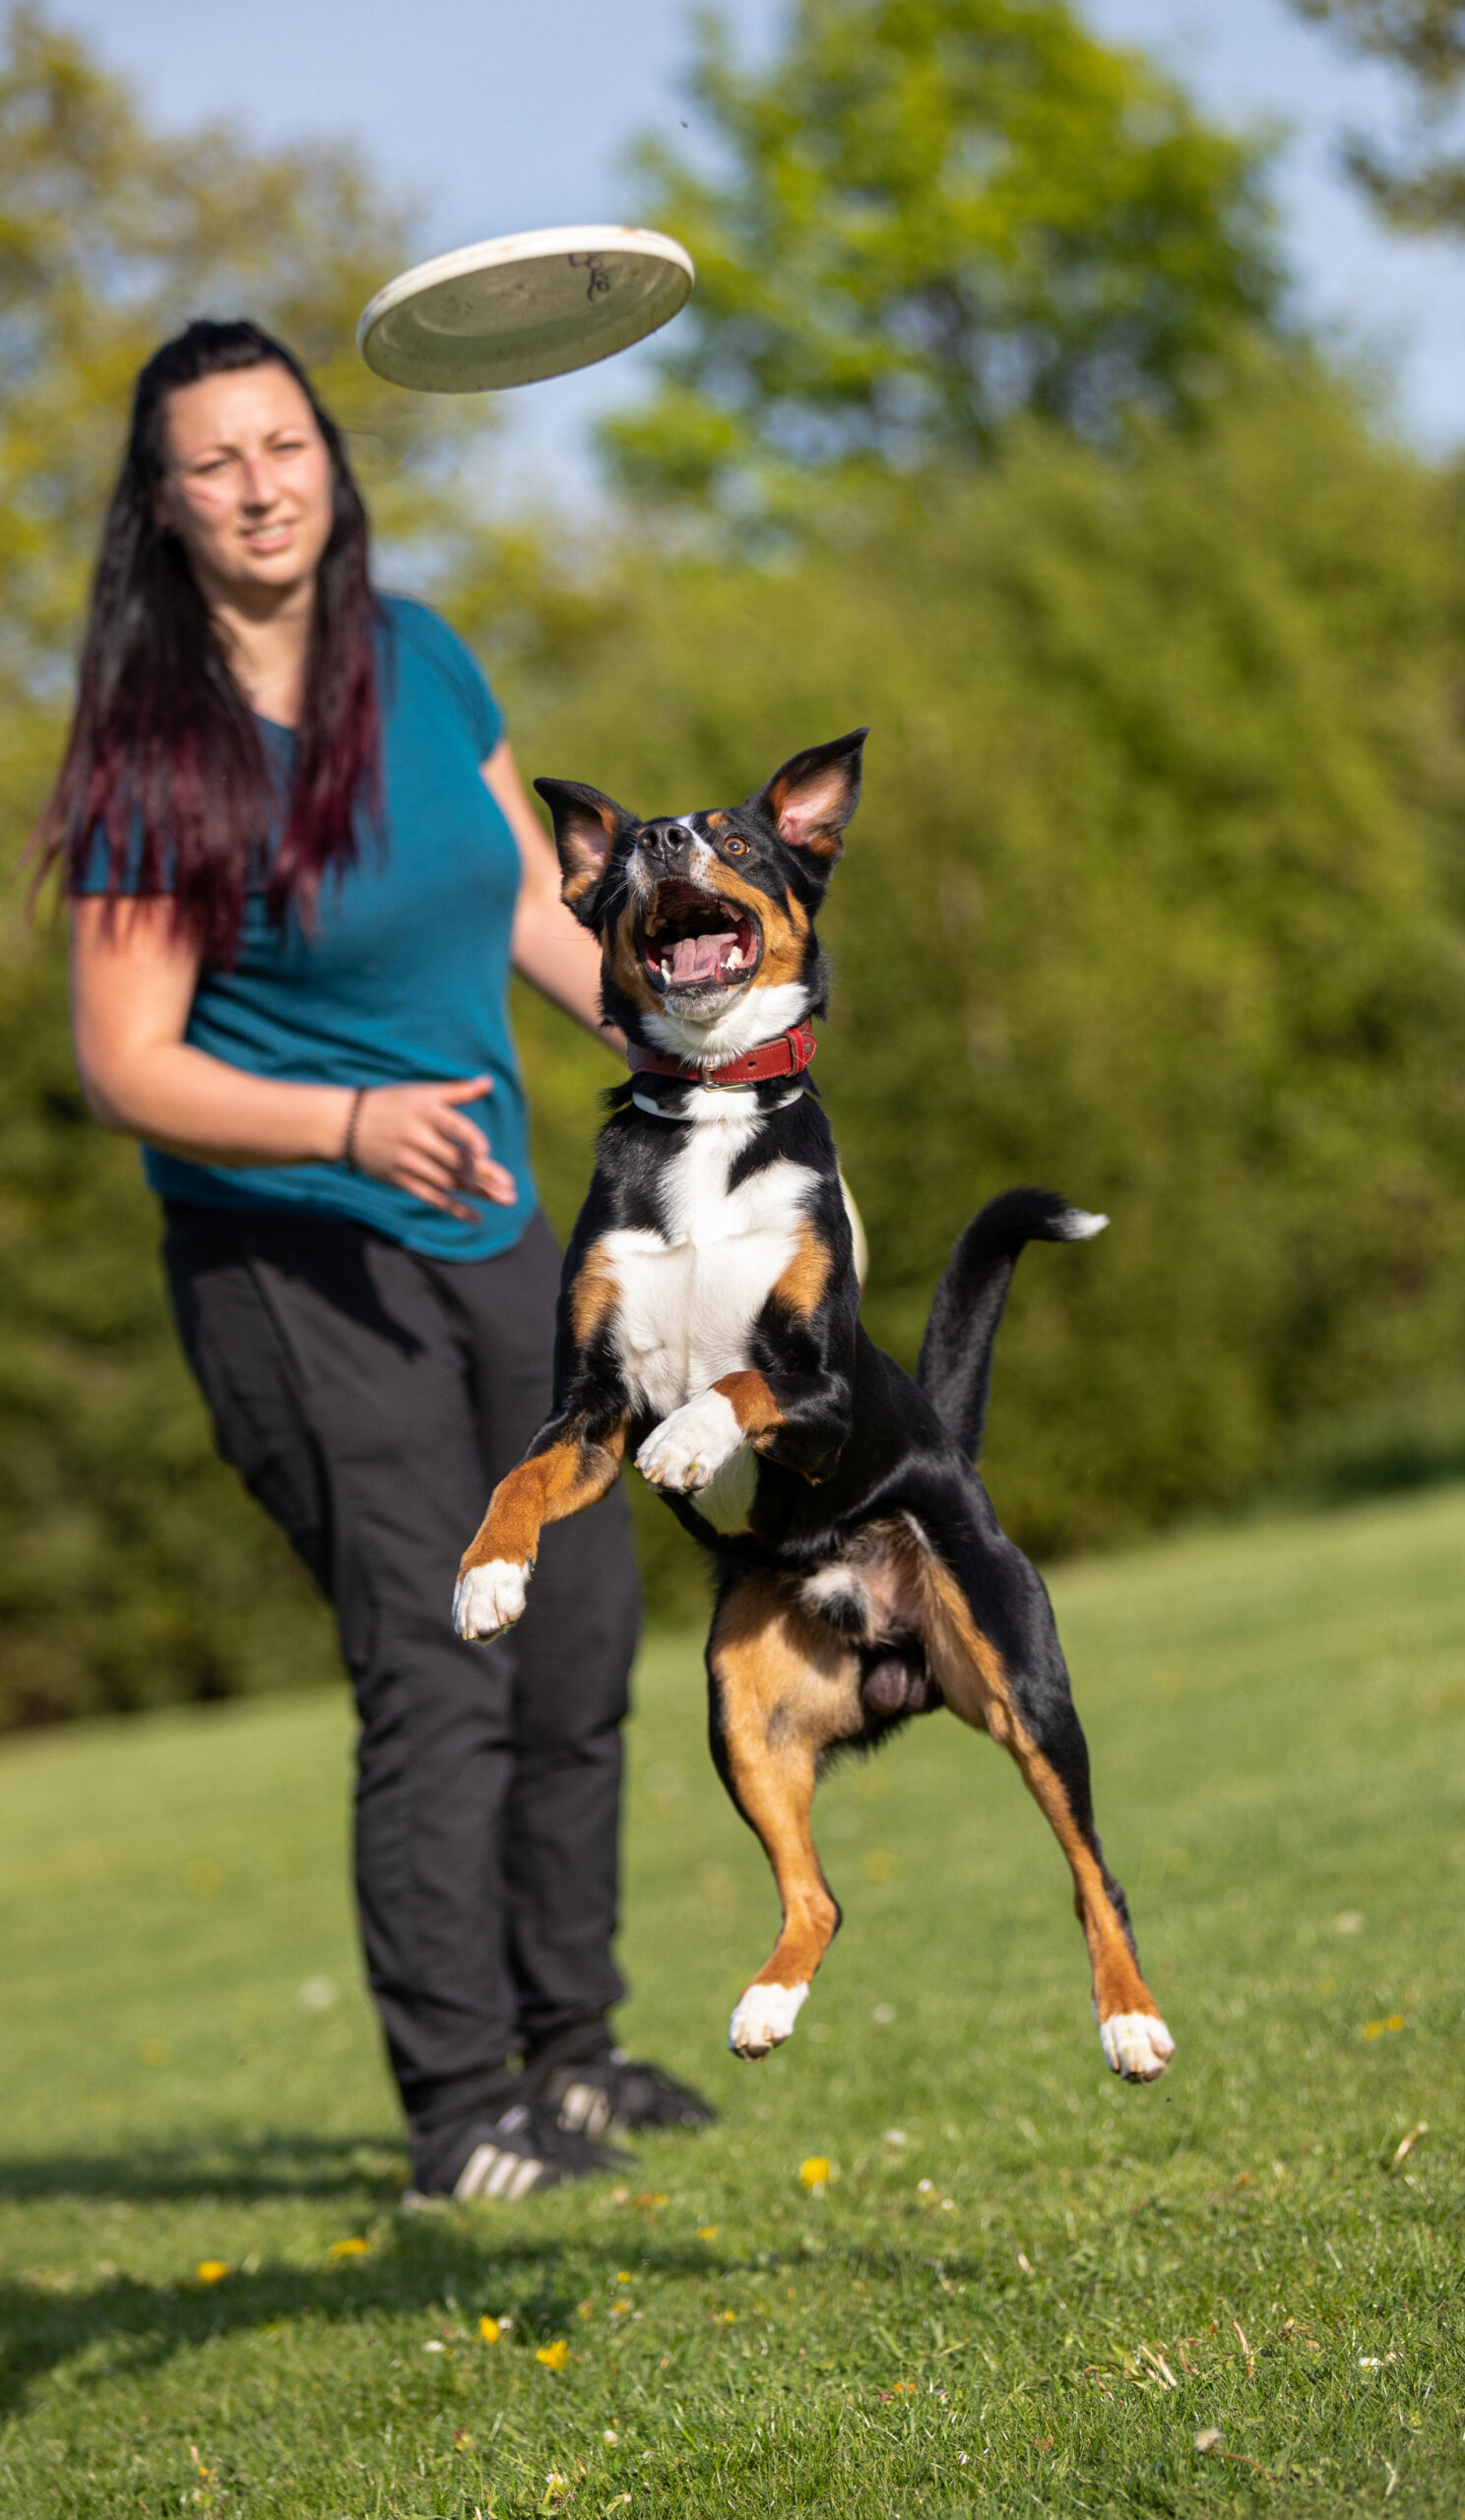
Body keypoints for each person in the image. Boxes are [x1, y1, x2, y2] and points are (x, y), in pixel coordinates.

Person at [39, 318, 713, 2201]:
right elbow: (126, 1064)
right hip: (294, 1263)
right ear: (161, 508)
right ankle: (455, 2113)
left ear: (330, 457)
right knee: (444, 1660)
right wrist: (343, 1123)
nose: (260, 486)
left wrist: (674, 1035)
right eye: (212, 463)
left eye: (284, 445)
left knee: (574, 1638)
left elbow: (521, 894)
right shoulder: (147, 754)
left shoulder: (418, 659)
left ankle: (572, 2054)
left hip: (496, 1223)